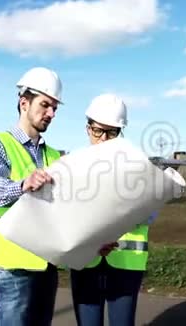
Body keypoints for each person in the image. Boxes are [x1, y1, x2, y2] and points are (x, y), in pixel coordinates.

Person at [0, 67, 64, 326]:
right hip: (13, 269)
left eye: (55, 108)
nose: (51, 114)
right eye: (45, 105)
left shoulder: (54, 155)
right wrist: (21, 184)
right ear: (24, 103)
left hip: (47, 266)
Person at [70, 93, 155, 326]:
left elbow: (151, 213)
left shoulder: (138, 167)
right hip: (86, 260)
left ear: (121, 132)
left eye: (112, 132)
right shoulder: (72, 166)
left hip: (126, 264)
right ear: (88, 129)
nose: (105, 139)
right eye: (99, 131)